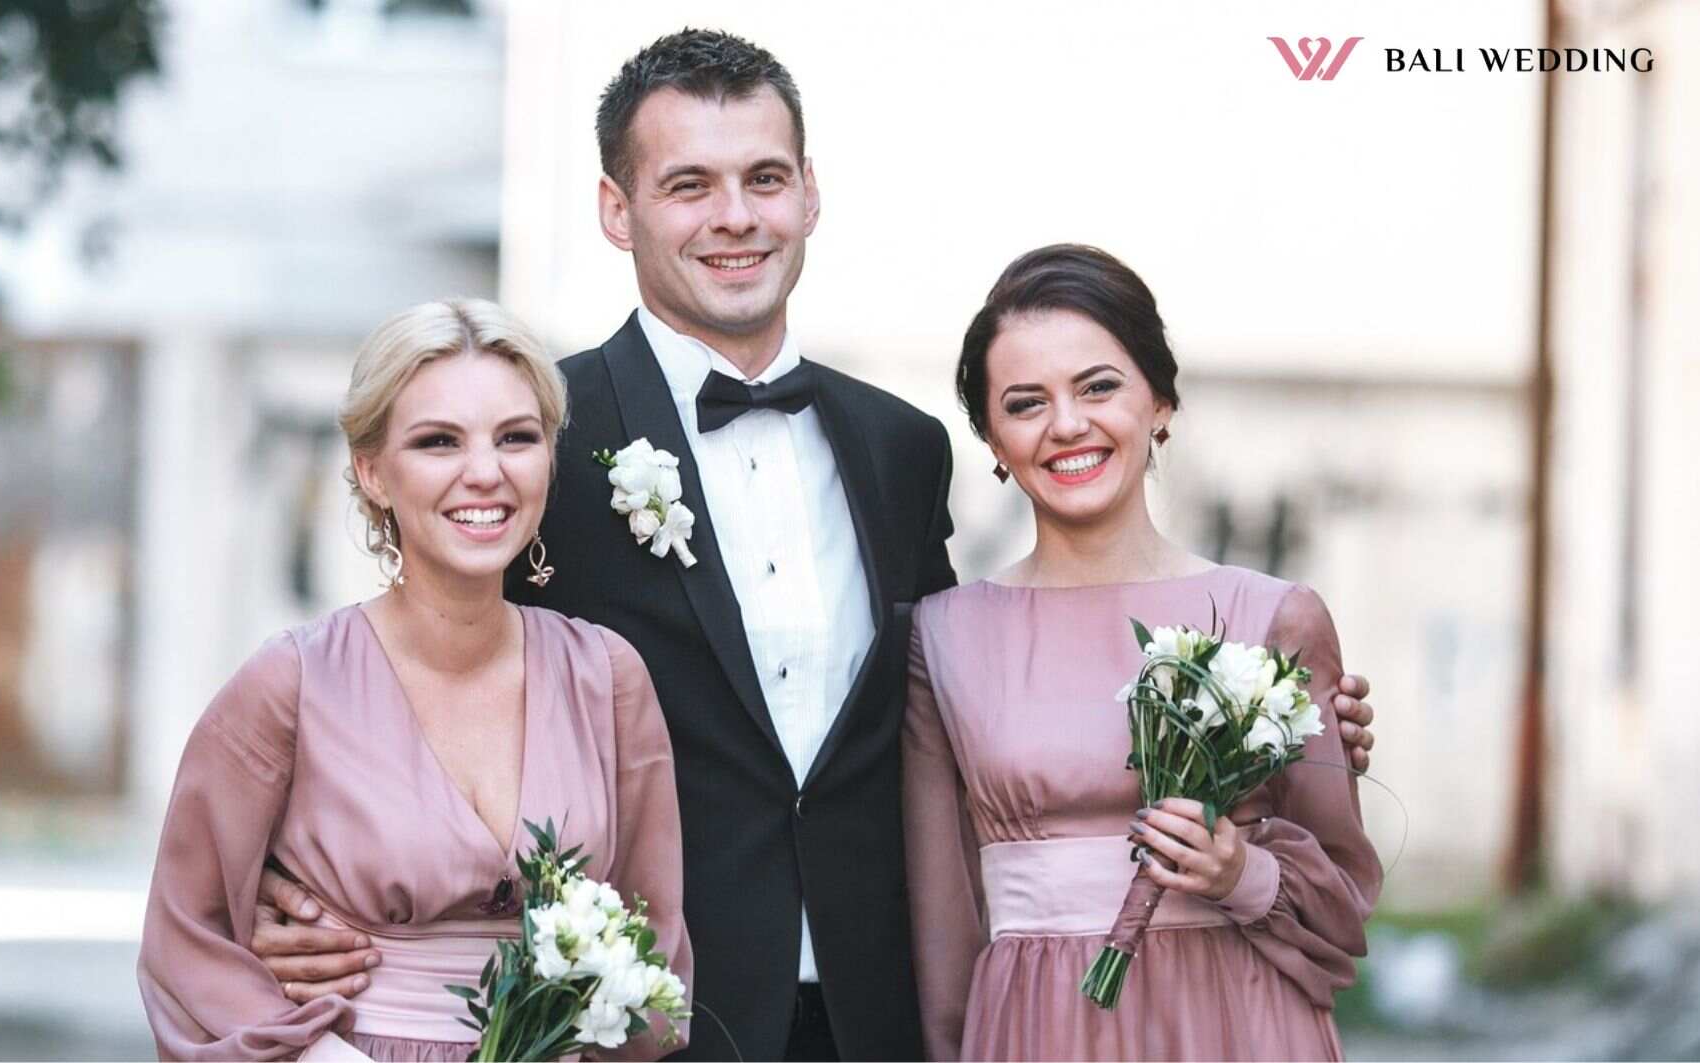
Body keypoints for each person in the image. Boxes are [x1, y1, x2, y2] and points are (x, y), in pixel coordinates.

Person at [248, 31, 1378, 1062]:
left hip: (881, 1005)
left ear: (810, 196)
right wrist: (293, 890)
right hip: (646, 1011)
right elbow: (416, 672)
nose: (733, 215)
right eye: (688, 184)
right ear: (614, 207)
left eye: (764, 178)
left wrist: (1268, 725)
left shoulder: (898, 446)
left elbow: (970, 707)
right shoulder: (537, 438)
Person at [137, 299, 690, 1061]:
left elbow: (653, 941)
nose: (485, 471)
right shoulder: (290, 683)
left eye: (516, 438)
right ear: (373, 471)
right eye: (438, 441)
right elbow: (183, 935)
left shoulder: (610, 679)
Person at [904, 244, 1382, 1061]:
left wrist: (1241, 872)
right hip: (1037, 1027)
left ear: (1159, 399)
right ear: (991, 437)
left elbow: (1341, 909)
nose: (1067, 424)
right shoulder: (943, 637)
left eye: (1098, 386)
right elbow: (942, 931)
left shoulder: (1273, 616)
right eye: (1025, 403)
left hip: (1239, 1020)